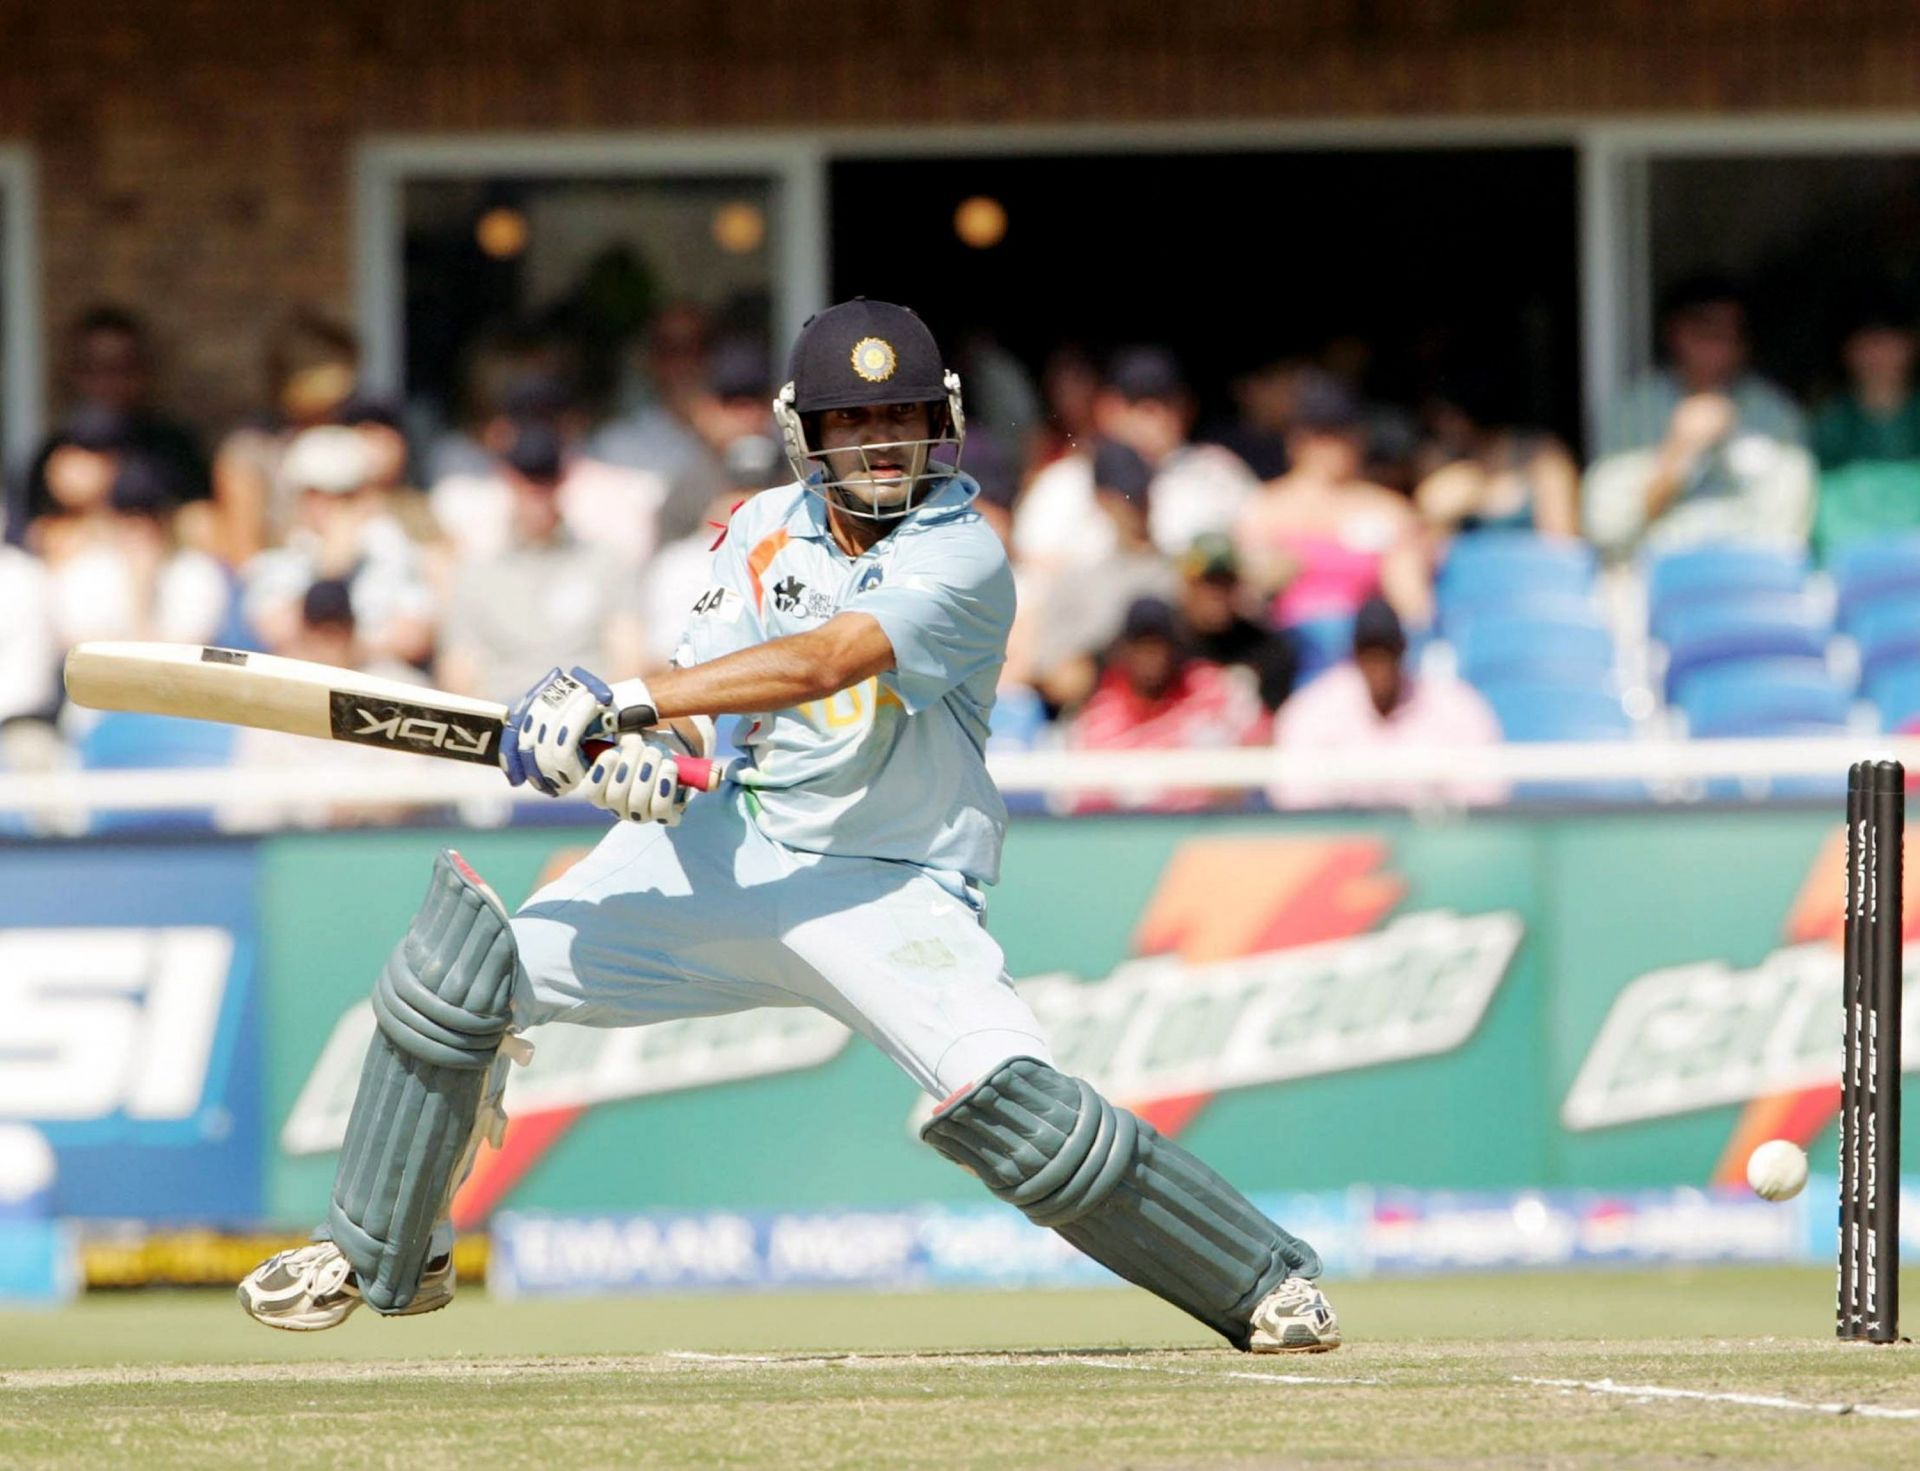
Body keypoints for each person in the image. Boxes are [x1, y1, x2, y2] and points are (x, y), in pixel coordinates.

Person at [237, 299, 1339, 1357]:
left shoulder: (964, 552)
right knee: (462, 973)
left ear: (938, 422)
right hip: (733, 843)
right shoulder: (760, 529)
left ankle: (1260, 1281)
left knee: (1026, 1118)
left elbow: (824, 660)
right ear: (805, 432)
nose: (878, 441)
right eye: (852, 419)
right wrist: (643, 764)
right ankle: (379, 1245)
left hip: (890, 885)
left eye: (898, 416)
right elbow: (713, 697)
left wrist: (623, 702)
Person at [1585, 275, 1812, 556]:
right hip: (1651, 577)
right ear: (1674, 334)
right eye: (1704, 334)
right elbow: (1607, 528)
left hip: (1746, 578)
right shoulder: (1632, 410)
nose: (1717, 349)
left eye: (1730, 336)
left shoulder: (1776, 416)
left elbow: (1788, 534)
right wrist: (1678, 452)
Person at [435, 420, 645, 703]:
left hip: (590, 717)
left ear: (564, 477)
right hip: (505, 716)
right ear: (507, 477)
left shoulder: (605, 562)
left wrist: (605, 719)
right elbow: (459, 670)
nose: (537, 490)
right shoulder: (476, 571)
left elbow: (629, 658)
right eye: (527, 476)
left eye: (547, 476)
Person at [1235, 373, 1433, 628]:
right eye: (1319, 435)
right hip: (1288, 648)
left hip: (1367, 648)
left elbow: (1413, 604)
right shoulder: (1264, 507)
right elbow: (1248, 597)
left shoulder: (1389, 510)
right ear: (1296, 439)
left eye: (1341, 434)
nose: (1331, 447)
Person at [1270, 597, 1504, 809]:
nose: (1379, 664)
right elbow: (1296, 801)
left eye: (1387, 651)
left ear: (1402, 651)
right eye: (1368, 653)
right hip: (1341, 847)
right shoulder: (1312, 710)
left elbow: (1483, 797)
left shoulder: (1456, 706)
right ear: (1354, 655)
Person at [15, 306, 210, 542]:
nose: (108, 381)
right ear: (74, 374)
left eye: (122, 368)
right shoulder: (54, 450)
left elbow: (202, 521)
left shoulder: (171, 447)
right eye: (94, 368)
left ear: (144, 372)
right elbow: (26, 530)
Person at [1066, 596, 1268, 813]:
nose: (1151, 655)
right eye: (1141, 645)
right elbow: (1088, 804)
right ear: (1124, 649)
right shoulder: (1099, 715)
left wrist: (1227, 778)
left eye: (1159, 644)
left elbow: (1263, 741)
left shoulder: (1210, 686)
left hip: (1213, 827)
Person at [1027, 440, 1179, 714]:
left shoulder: (1181, 573)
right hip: (1100, 723)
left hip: (1181, 713)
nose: (1138, 505)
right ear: (1102, 500)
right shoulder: (1075, 581)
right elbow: (1059, 681)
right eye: (1126, 496)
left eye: (1142, 491)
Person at [1414, 370, 1580, 540]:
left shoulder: (1542, 455)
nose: (1440, 425)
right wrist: (1439, 511)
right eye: (1435, 416)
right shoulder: (1437, 456)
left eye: (1449, 416)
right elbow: (1424, 547)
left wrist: (1492, 497)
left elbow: (1563, 541)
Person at [1177, 534, 1297, 712]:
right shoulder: (1165, 645)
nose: (1217, 594)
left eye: (1226, 582)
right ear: (1188, 586)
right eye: (1208, 583)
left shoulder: (1267, 649)